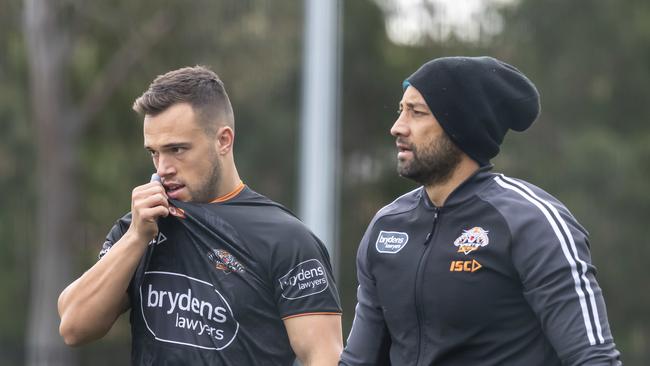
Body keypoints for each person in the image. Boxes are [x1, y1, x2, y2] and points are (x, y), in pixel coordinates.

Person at [339, 56, 621, 365]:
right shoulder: (387, 226)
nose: (397, 127)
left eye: (417, 113)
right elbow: (357, 361)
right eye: (400, 111)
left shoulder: (532, 222)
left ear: (461, 127)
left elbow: (593, 359)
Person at [58, 66, 343, 365]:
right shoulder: (141, 226)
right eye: (154, 152)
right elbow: (74, 326)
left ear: (223, 140)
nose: (162, 168)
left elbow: (323, 356)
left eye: (177, 149)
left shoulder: (287, 240)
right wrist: (135, 238)